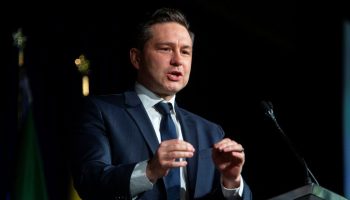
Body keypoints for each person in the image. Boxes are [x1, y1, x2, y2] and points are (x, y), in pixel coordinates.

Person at [70, 7, 252, 200]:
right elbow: (89, 181)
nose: (177, 61)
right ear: (137, 58)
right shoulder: (103, 111)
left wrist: (231, 181)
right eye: (165, 49)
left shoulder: (210, 132)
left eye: (185, 51)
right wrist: (149, 170)